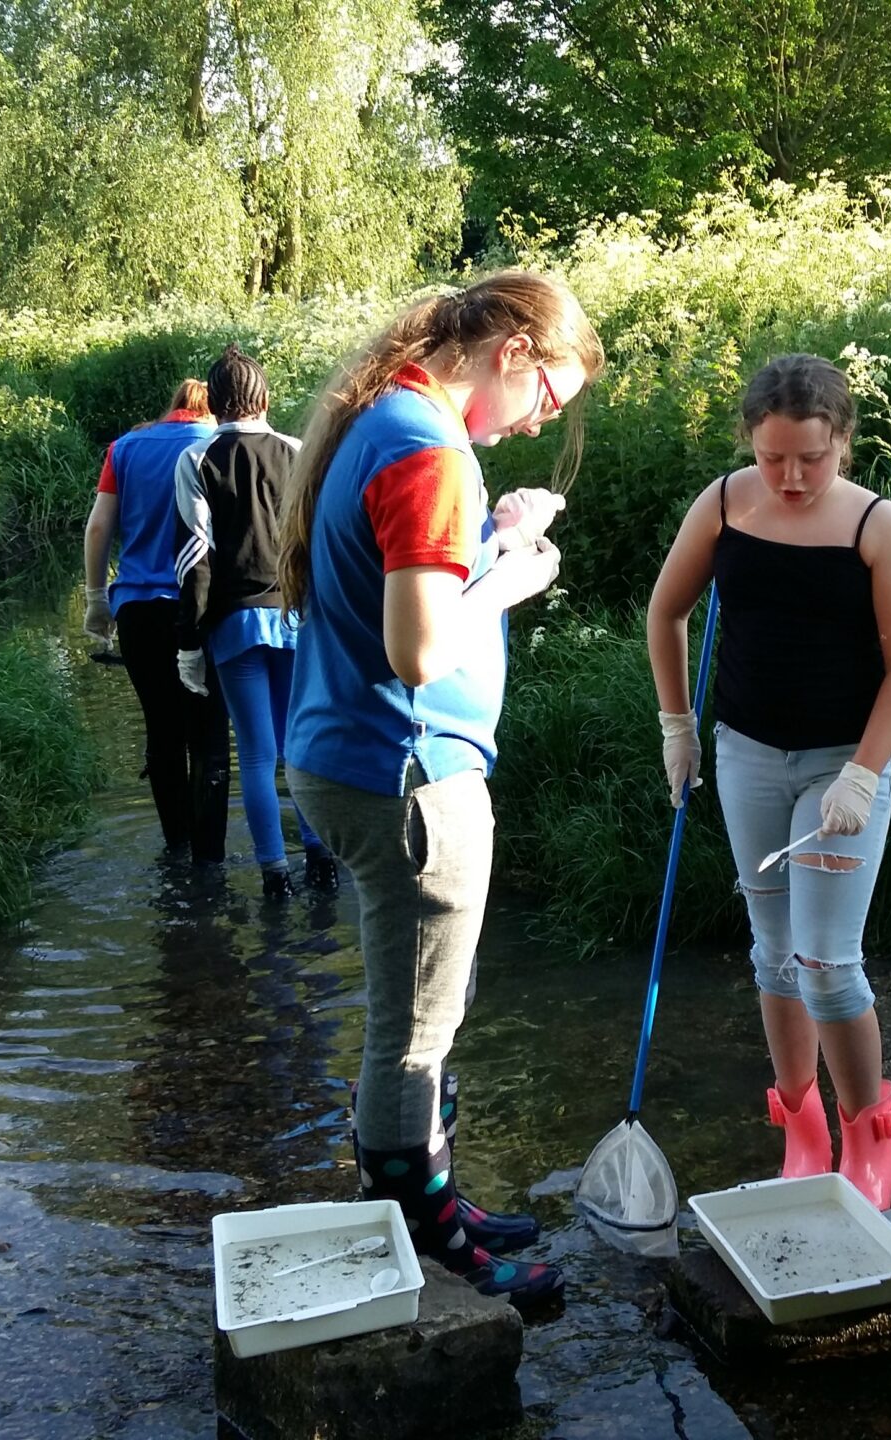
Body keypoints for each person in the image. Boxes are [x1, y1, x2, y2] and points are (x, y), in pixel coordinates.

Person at [278, 271, 597, 1303]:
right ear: (511, 352)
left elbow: (407, 582)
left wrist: (491, 534)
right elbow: (417, 650)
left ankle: (431, 1198)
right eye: (545, 400)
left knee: (420, 1013)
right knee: (415, 1033)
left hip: (355, 758)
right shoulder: (422, 444)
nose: (533, 424)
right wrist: (514, 572)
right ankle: (427, 1242)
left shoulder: (388, 418)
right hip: (407, 775)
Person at [646, 353, 891, 1209]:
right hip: (745, 754)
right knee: (772, 956)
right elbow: (666, 611)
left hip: (840, 765)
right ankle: (802, 1125)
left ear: (841, 439)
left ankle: (869, 1133)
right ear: (752, 445)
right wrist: (677, 725)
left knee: (828, 966)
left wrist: (863, 773)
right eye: (774, 457)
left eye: (811, 456)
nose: (793, 476)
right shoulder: (727, 504)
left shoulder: (879, 530)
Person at [171, 344, 337, 901]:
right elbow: (321, 540)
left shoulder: (196, 460)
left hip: (235, 623)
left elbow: (197, 558)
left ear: (213, 405)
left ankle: (275, 876)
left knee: (259, 756)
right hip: (297, 616)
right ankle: (322, 861)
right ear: (264, 398)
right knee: (300, 750)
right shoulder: (297, 450)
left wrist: (188, 644)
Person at [83, 380, 229, 862]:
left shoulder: (124, 449)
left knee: (162, 731)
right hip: (203, 607)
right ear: (214, 409)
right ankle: (209, 860)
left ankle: (176, 847)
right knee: (207, 736)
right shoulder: (219, 445)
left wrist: (95, 598)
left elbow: (100, 526)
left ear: (172, 407)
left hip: (139, 610)